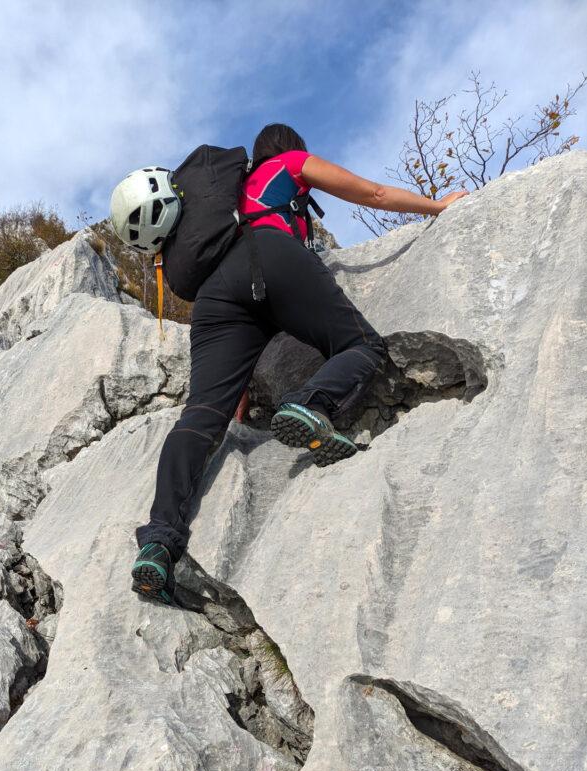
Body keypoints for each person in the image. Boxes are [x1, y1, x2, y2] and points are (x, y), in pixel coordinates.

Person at [130, 124, 468, 604]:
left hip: (213, 296)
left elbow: (235, 352)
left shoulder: (225, 206)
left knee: (201, 415)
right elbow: (372, 193)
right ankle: (310, 404)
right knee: (363, 346)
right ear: (293, 150)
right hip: (271, 256)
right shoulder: (286, 166)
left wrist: (238, 404)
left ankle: (159, 543)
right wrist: (437, 206)